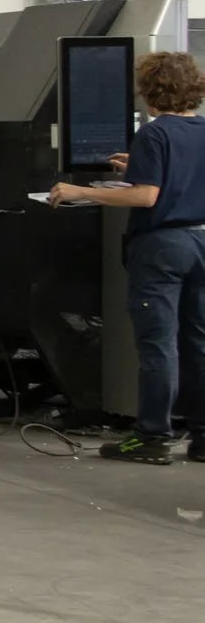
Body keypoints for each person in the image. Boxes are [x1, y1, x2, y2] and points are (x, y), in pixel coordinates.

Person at [48, 50, 205, 464]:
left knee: (158, 346)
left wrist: (79, 191)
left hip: (162, 248)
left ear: (150, 91)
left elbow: (147, 196)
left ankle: (152, 437)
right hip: (201, 242)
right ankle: (203, 437)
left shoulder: (154, 134)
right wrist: (140, 166)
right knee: (198, 342)